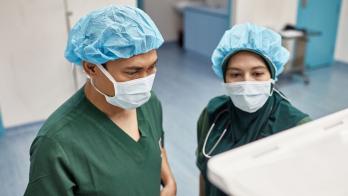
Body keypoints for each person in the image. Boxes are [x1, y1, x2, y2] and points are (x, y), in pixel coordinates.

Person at [24, 5, 176, 196]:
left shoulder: (150, 103)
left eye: (152, 66)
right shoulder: (55, 144)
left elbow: (157, 146)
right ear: (91, 69)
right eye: (133, 71)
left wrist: (169, 182)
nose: (145, 80)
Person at [196, 23, 311, 196]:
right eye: (235, 74)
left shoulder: (296, 126)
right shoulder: (213, 113)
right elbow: (205, 174)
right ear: (224, 78)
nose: (247, 82)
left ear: (272, 77)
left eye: (257, 74)